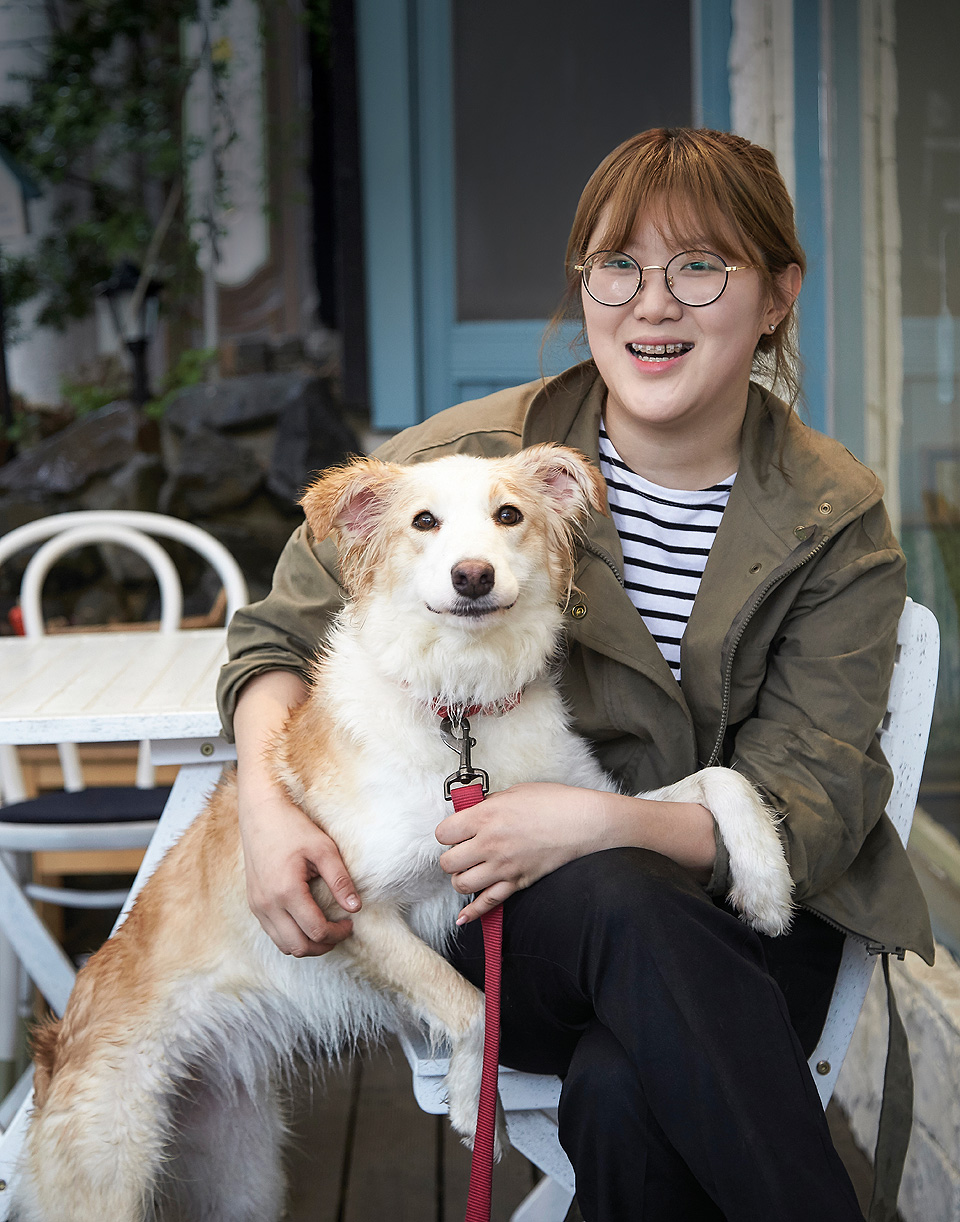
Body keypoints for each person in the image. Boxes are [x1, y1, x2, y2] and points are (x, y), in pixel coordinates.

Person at [218, 128, 933, 1221]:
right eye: (618, 266)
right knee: (612, 906)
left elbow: (814, 803)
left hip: (753, 927)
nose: (654, 304)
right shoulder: (477, 461)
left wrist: (595, 825)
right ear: (586, 285)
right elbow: (274, 638)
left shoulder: (835, 520)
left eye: (701, 266)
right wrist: (268, 813)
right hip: (523, 933)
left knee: (620, 1084)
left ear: (780, 293)